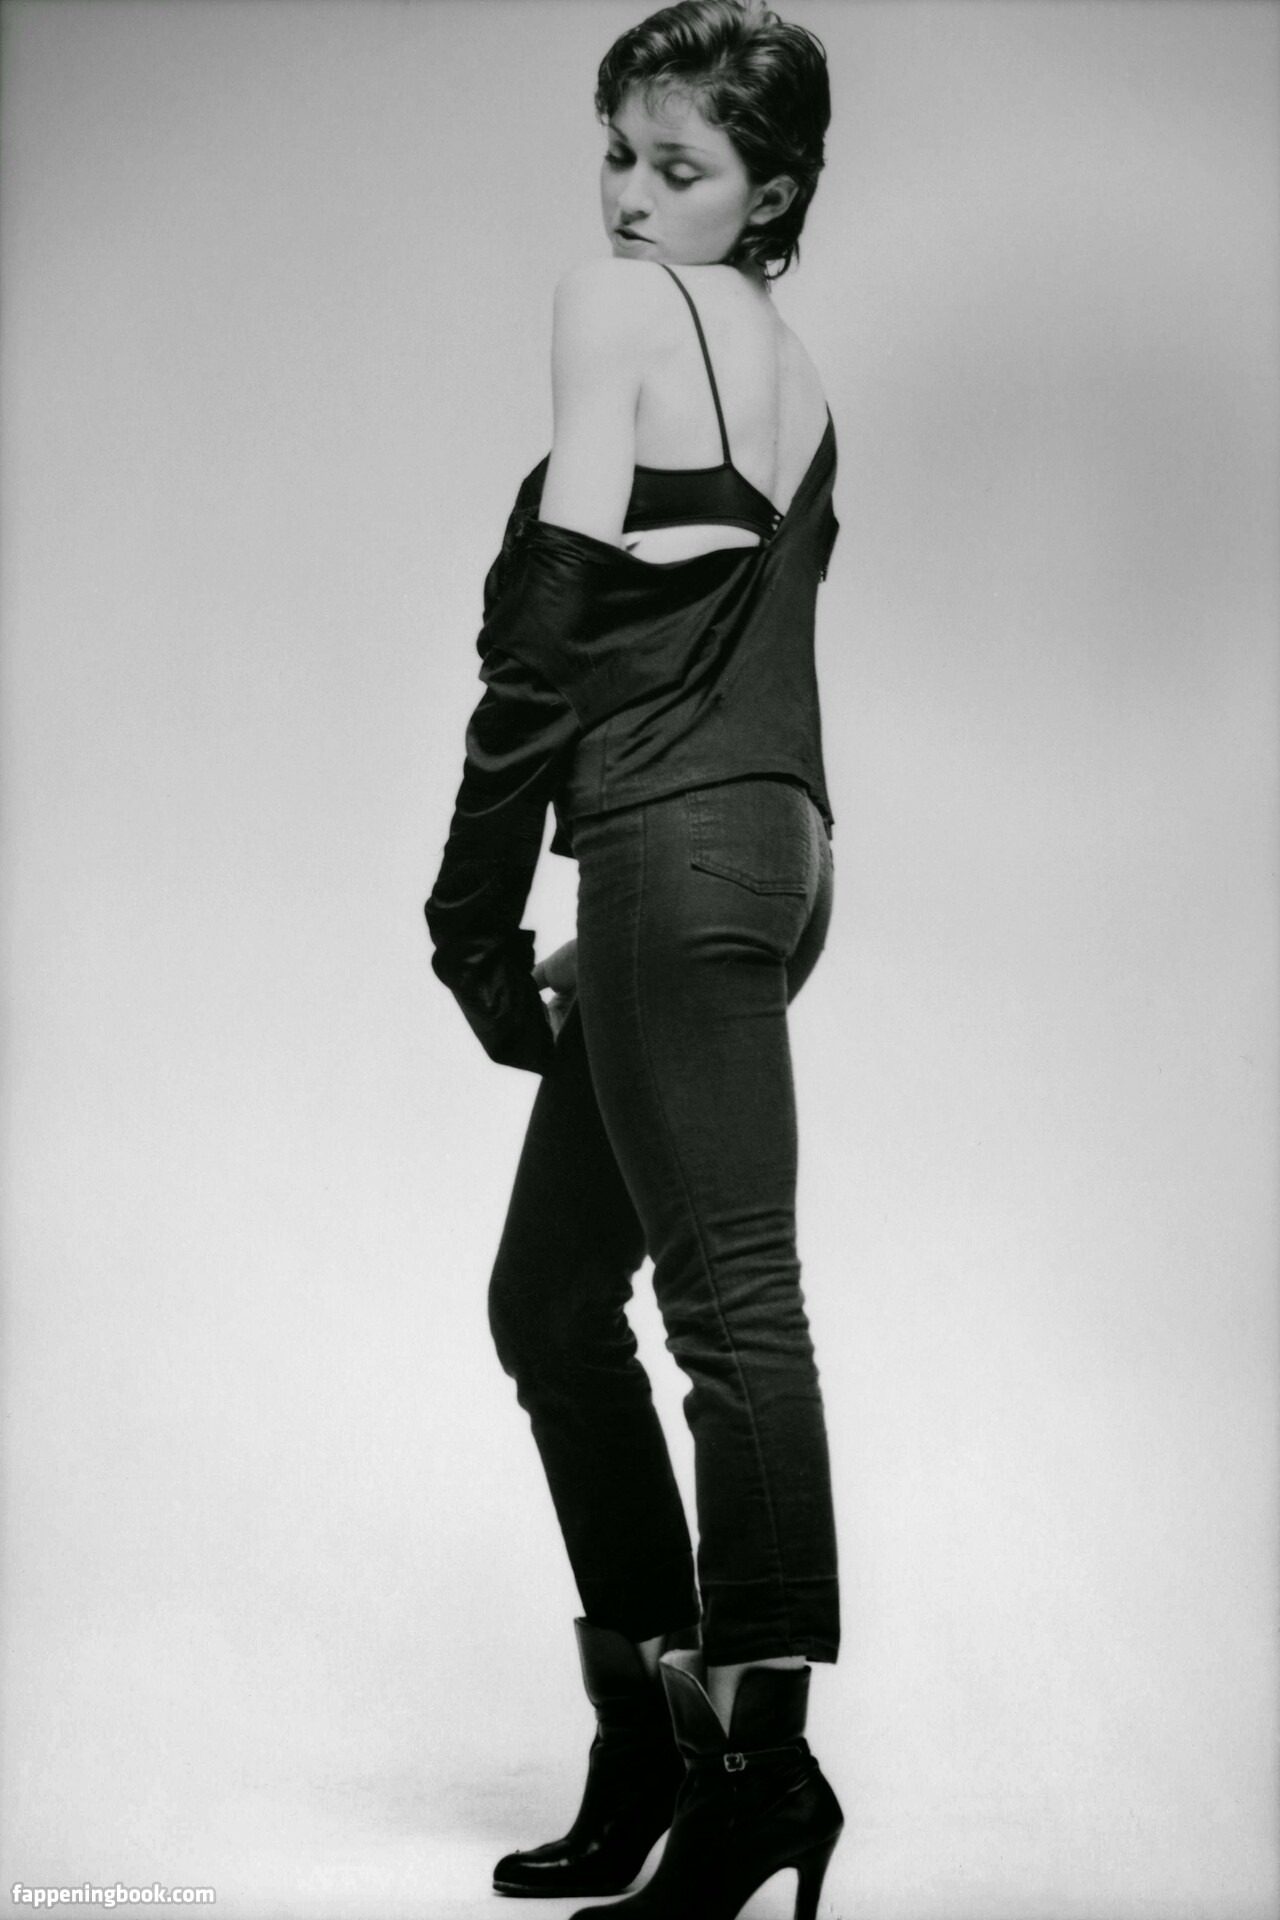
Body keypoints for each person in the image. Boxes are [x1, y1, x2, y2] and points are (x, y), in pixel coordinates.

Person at [425, 4, 843, 1915]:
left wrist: (470, 912)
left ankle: (762, 1777)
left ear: (771, 193)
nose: (627, 197)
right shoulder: (803, 379)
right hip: (764, 853)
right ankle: (659, 1734)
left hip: (674, 859)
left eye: (680, 167)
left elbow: (555, 633)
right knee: (549, 1300)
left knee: (733, 1305)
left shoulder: (613, 318)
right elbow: (717, 643)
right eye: (617, 152)